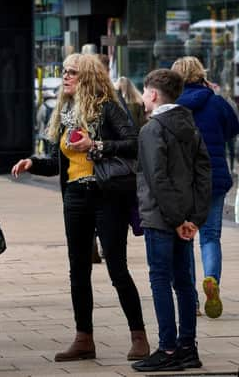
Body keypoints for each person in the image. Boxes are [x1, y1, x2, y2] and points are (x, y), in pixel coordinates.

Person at [11, 53, 149, 362]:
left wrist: (96, 146)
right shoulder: (66, 113)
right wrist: (33, 163)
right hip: (74, 197)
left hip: (106, 195)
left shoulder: (107, 108)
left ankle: (138, 335)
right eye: (64, 72)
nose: (65, 77)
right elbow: (61, 164)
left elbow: (133, 142)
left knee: (116, 266)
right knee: (78, 270)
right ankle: (83, 338)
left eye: (72, 72)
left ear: (87, 76)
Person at [132, 68, 211, 372]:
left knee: (161, 280)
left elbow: (156, 178)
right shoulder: (190, 126)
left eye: (144, 91)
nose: (142, 97)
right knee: (184, 281)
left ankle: (167, 348)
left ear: (152, 94)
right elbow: (204, 174)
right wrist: (195, 217)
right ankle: (188, 348)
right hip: (186, 218)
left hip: (161, 218)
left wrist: (178, 219)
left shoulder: (151, 130)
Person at [172, 56, 239, 319]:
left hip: (185, 180)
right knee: (210, 236)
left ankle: (192, 303)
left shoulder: (173, 105)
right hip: (215, 177)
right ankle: (211, 279)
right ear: (201, 74)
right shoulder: (215, 101)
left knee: (185, 238)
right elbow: (234, 127)